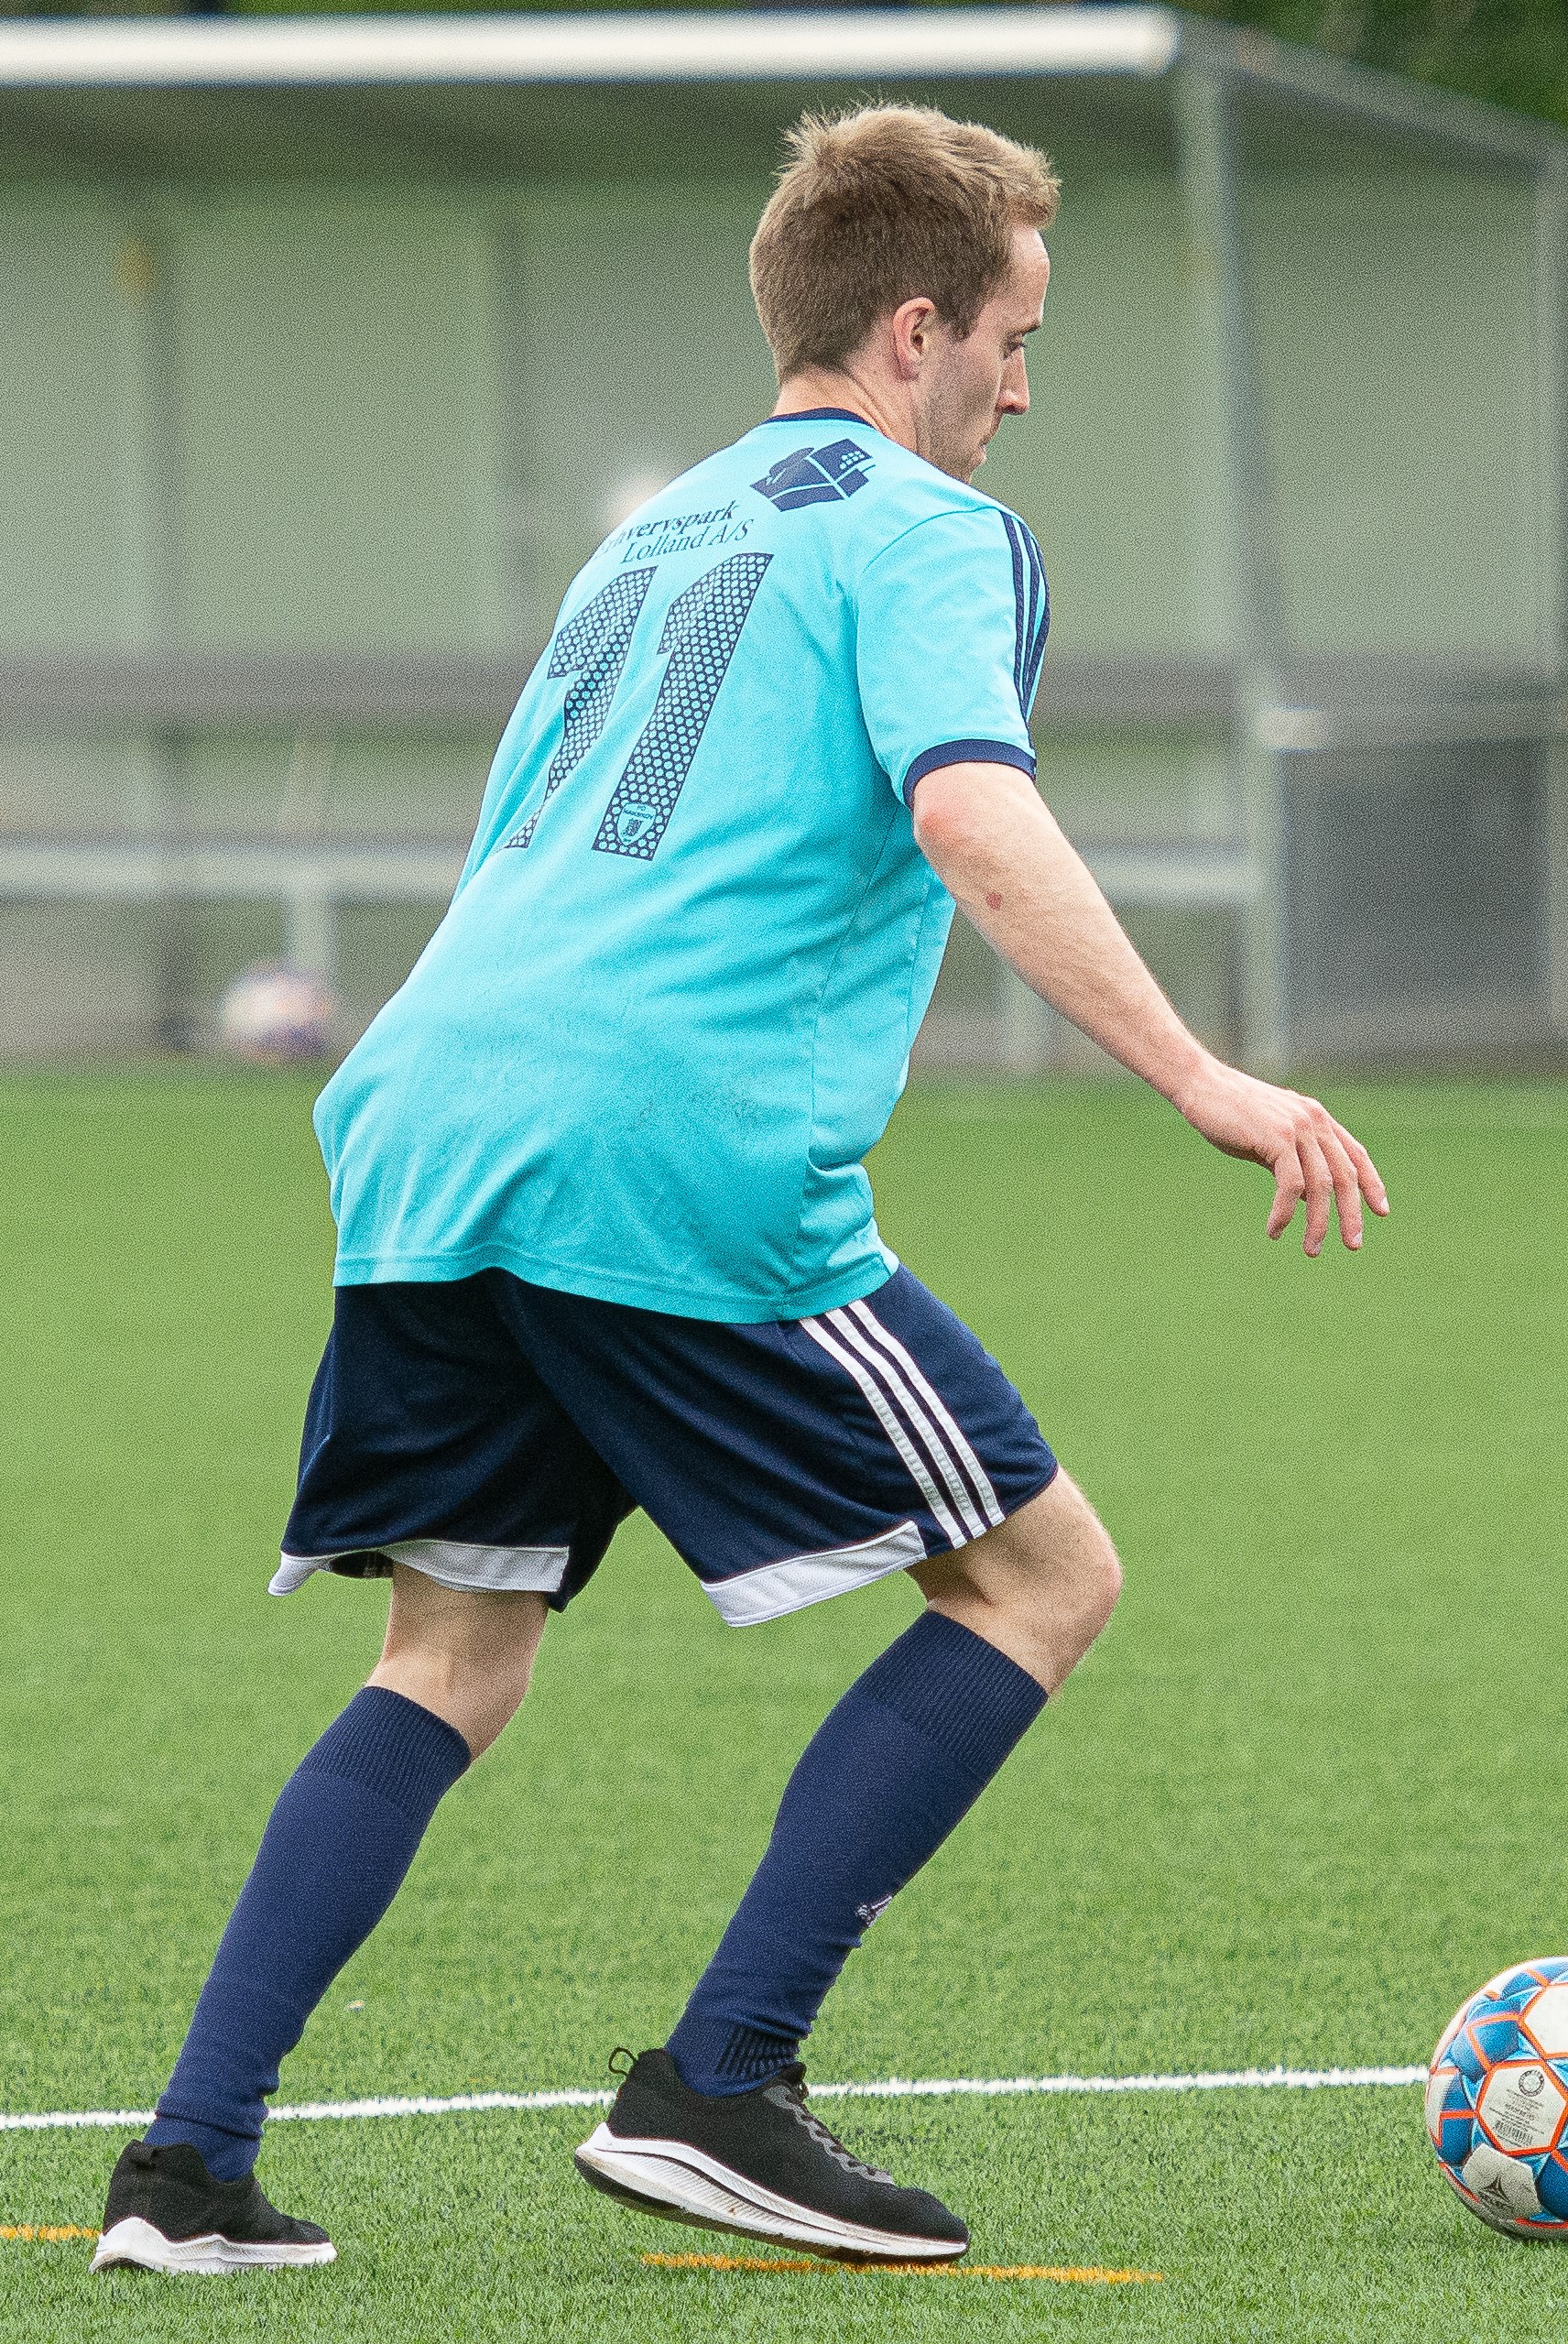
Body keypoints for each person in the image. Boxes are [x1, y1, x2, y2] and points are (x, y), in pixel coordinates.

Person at [91, 102, 1386, 2276]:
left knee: (454, 1648)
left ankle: (187, 2164)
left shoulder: (659, 529)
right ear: (910, 331)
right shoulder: (934, 529)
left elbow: (543, 831)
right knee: (1040, 1579)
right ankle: (719, 2080)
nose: (1022, 386)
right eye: (1010, 336)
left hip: (424, 1110)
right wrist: (1196, 1069)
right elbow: (970, 808)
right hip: (663, 1133)